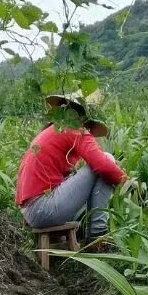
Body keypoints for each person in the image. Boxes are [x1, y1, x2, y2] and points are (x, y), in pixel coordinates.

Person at [15, 90, 127, 245]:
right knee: (107, 160)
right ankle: (97, 234)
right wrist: (126, 182)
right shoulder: (73, 129)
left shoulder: (55, 129)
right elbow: (102, 165)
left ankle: (92, 232)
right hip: (43, 209)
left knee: (97, 167)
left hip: (33, 211)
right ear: (85, 117)